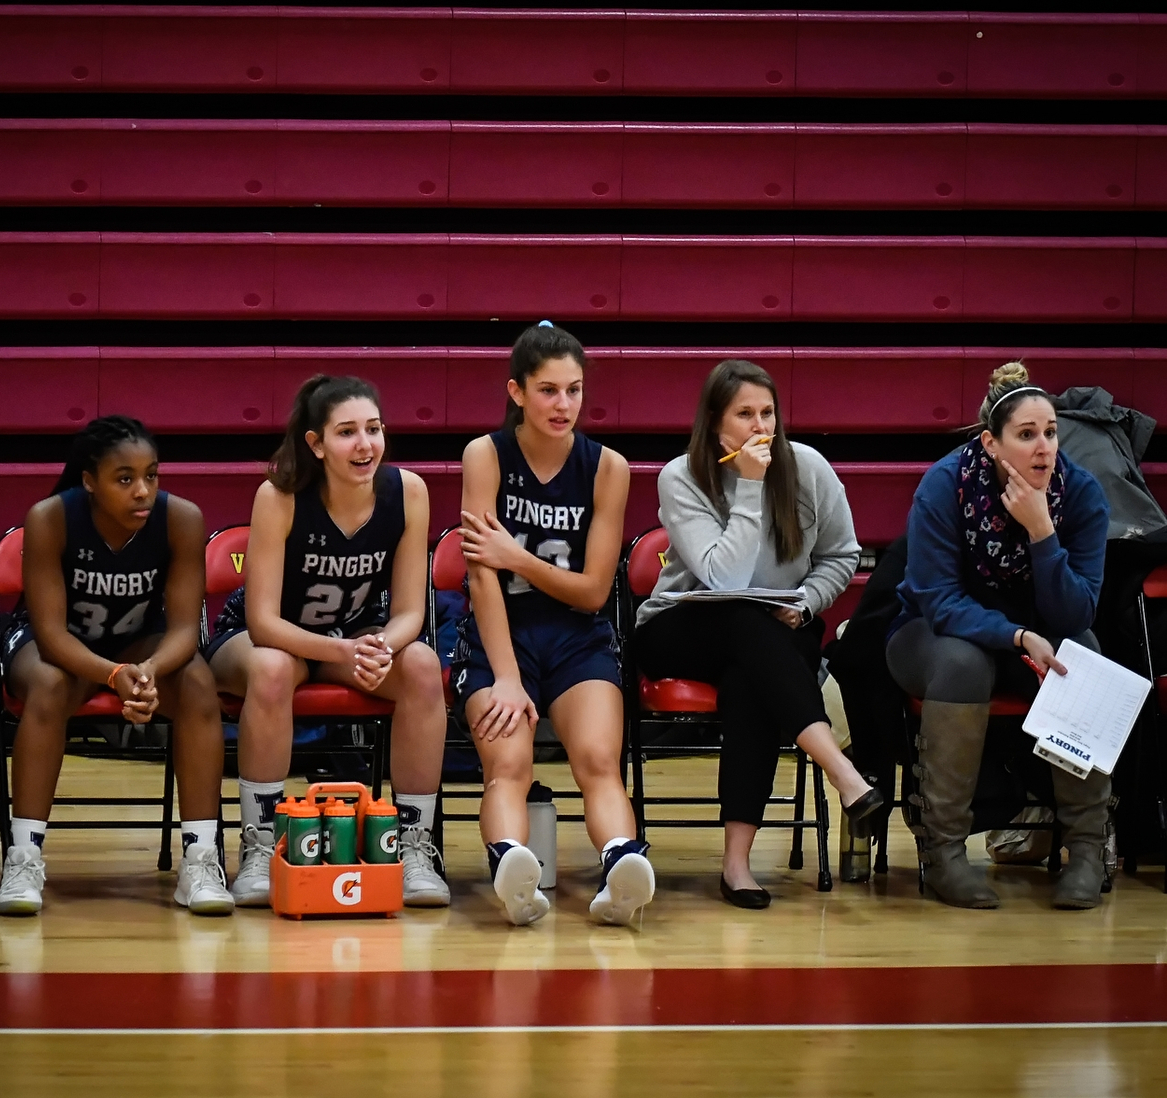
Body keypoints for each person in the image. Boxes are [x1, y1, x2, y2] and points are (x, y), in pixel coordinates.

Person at [633, 359, 882, 909]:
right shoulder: (681, 476)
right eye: (744, 414)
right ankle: (841, 769)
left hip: (778, 623)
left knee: (753, 674)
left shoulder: (809, 469)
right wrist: (749, 485)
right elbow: (724, 578)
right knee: (745, 622)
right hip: (684, 624)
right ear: (715, 425)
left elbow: (841, 556)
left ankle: (737, 864)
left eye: (768, 413)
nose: (760, 427)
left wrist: (807, 602)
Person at [207, 376, 450, 908]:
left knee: (423, 667)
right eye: (347, 433)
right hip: (261, 639)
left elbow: (411, 609)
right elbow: (264, 621)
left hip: (353, 637)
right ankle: (262, 845)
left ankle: (411, 845)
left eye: (374, 429)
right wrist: (342, 651)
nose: (365, 444)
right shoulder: (280, 496)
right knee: (271, 668)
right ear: (316, 444)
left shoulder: (408, 492)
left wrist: (381, 646)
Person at [886, 362, 1112, 910]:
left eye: (1051, 433)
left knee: (1085, 654)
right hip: (930, 633)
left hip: (1035, 634)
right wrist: (1015, 635)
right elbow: (937, 601)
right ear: (992, 442)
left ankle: (1085, 849)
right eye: (1027, 435)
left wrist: (1042, 533)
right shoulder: (945, 484)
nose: (1044, 448)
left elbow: (1077, 609)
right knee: (965, 663)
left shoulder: (1079, 494)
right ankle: (943, 852)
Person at [453, 321, 653, 927]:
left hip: (577, 636)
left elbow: (594, 591)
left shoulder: (608, 467)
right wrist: (507, 676)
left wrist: (517, 556)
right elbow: (480, 577)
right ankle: (514, 870)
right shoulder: (485, 454)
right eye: (547, 390)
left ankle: (621, 868)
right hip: (498, 637)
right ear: (517, 392)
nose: (562, 405)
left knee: (597, 758)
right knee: (508, 764)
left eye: (573, 390)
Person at [0, 416, 234, 916]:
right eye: (124, 479)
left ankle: (201, 860)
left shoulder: (181, 518)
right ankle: (23, 857)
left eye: (152, 475)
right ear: (89, 480)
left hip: (141, 643)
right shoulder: (50, 518)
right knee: (50, 686)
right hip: (61, 647)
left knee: (196, 685)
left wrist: (145, 671)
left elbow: (187, 630)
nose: (142, 490)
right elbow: (52, 633)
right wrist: (112, 674)